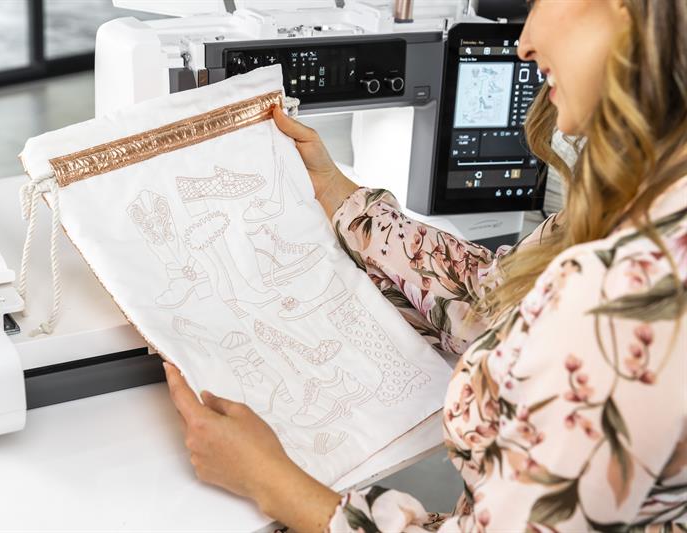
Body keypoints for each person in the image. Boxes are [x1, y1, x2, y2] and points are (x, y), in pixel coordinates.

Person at [163, 0, 687, 530]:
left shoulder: (626, 292)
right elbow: (494, 298)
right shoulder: (652, 208)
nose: (524, 43)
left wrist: (269, 481)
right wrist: (337, 194)